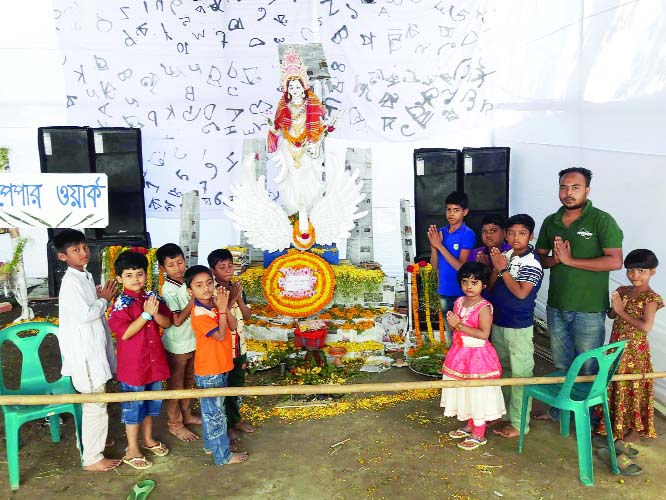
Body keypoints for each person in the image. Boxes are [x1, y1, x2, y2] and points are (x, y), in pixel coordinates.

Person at [534, 167, 623, 420]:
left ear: (587, 190)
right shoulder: (551, 221)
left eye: (575, 187)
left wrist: (571, 260)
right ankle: (561, 411)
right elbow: (540, 259)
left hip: (589, 308)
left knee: (587, 367)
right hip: (557, 304)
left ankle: (588, 417)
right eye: (563, 187)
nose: (568, 193)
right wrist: (557, 260)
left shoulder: (601, 220)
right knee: (562, 364)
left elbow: (615, 261)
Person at [55, 229, 121, 472]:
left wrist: (98, 296)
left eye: (84, 247)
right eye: (76, 250)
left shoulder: (84, 275)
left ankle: (94, 440)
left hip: (91, 350)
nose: (83, 253)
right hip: (85, 356)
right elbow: (85, 315)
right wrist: (103, 299)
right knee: (96, 403)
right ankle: (92, 458)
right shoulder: (70, 283)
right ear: (63, 257)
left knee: (94, 402)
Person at [108, 250, 172, 470]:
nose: (135, 279)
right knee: (134, 407)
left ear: (146, 275)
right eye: (129, 275)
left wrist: (154, 314)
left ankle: (148, 439)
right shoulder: (121, 303)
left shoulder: (152, 298)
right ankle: (132, 449)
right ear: (119, 278)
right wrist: (145, 315)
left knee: (151, 404)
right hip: (134, 365)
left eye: (139, 273)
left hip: (153, 363)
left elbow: (166, 323)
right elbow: (124, 333)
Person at [596, 250, 663, 459]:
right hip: (616, 347)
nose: (635, 275)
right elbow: (611, 314)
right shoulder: (623, 290)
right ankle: (615, 426)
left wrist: (622, 311)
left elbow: (645, 327)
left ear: (652, 272)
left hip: (635, 353)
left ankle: (634, 430)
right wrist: (617, 308)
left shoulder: (651, 298)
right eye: (631, 270)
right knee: (614, 385)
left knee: (632, 386)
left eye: (641, 270)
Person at [486, 214, 543, 439]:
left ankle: (520, 424)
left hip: (518, 326)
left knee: (520, 375)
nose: (515, 237)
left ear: (531, 236)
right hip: (499, 321)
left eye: (521, 233)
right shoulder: (506, 254)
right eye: (511, 233)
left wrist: (502, 270)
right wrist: (496, 267)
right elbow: (491, 286)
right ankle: (505, 413)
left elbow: (521, 293)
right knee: (503, 371)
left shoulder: (533, 262)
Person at [186, 265, 249, 465]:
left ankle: (210, 446)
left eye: (209, 283)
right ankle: (222, 456)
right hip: (209, 370)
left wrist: (223, 307)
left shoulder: (212, 306)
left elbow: (232, 326)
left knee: (212, 411)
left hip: (221, 366)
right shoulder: (199, 313)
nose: (205, 288)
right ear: (190, 291)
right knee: (215, 415)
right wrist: (222, 309)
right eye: (199, 285)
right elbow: (221, 335)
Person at [440, 262, 506, 451]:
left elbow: (484, 334)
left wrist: (458, 325)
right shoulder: (459, 301)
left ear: (483, 285)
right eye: (465, 282)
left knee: (478, 393)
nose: (469, 287)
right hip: (460, 353)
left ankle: (479, 433)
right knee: (464, 389)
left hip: (477, 355)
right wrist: (456, 326)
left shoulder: (484, 307)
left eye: (474, 282)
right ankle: (470, 423)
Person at [267, 47, 332, 215]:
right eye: (292, 87)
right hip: (288, 148)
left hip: (306, 148)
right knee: (293, 178)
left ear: (303, 87)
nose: (295, 90)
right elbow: (279, 129)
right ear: (287, 89)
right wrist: (273, 129)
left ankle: (311, 212)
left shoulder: (311, 106)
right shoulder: (284, 107)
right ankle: (294, 212)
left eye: (297, 87)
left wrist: (320, 135)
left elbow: (319, 127)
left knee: (309, 177)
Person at [208, 249, 254, 443]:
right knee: (223, 388)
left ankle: (236, 420)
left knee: (237, 385)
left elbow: (247, 315)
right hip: (223, 348)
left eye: (230, 265)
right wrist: (232, 298)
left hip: (239, 345)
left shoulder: (236, 287)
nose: (227, 270)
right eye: (222, 267)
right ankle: (225, 427)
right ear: (213, 270)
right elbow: (223, 316)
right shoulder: (213, 291)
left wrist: (239, 297)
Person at [157, 243, 201, 443]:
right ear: (162, 269)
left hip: (193, 340)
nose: (178, 268)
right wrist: (193, 300)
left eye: (180, 262)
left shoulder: (187, 281)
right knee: (176, 385)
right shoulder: (168, 289)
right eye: (171, 265)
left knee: (189, 381)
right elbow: (176, 320)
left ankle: (187, 414)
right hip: (177, 345)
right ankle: (175, 424)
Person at [428, 191, 476, 346]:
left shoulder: (468, 234)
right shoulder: (440, 233)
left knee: (461, 331)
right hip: (442, 290)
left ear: (465, 212)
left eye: (456, 210)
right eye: (448, 209)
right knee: (448, 331)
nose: (451, 214)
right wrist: (434, 247)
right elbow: (434, 266)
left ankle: (461, 363)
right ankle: (452, 361)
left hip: (460, 292)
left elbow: (460, 266)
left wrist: (439, 246)